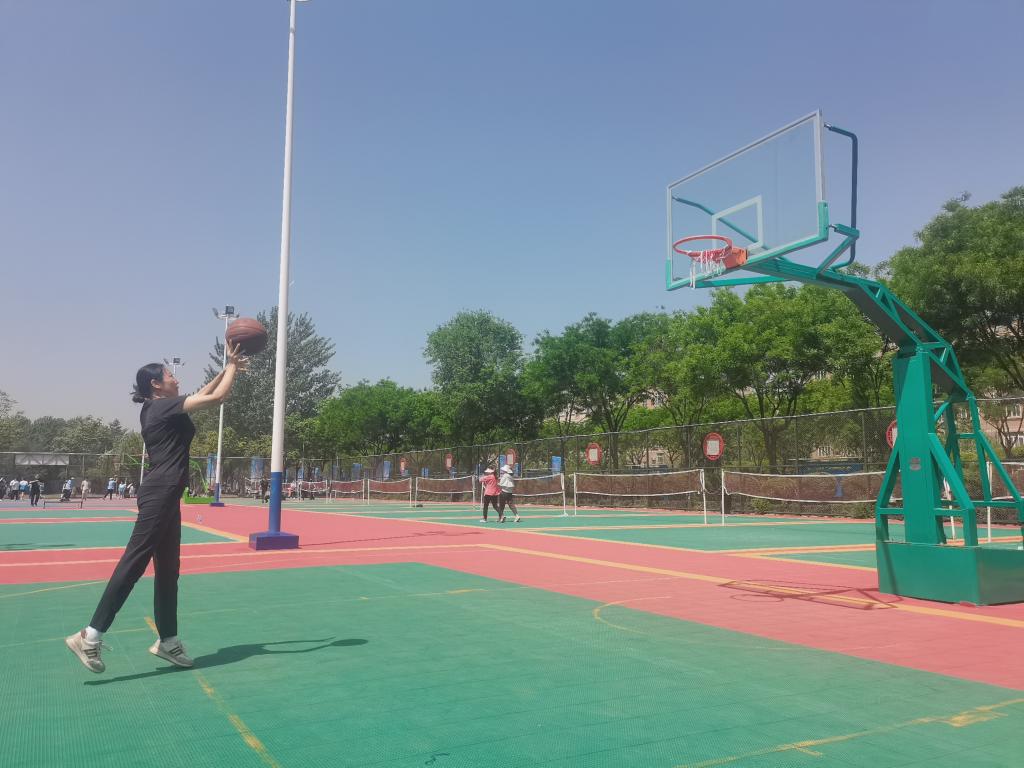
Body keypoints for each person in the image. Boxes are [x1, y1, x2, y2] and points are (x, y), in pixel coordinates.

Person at [65, 346, 246, 674]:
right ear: (156, 385)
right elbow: (217, 398)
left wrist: (226, 368)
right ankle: (89, 636)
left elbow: (205, 393)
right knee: (134, 562)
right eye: (170, 375)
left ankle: (168, 641)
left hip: (167, 495)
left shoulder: (162, 407)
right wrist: (233, 367)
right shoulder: (161, 407)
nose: (176, 379)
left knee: (168, 570)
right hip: (160, 493)